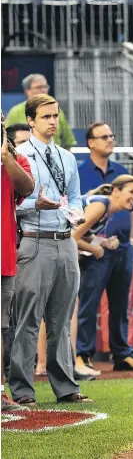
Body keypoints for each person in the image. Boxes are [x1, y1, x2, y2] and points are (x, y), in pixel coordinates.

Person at [10, 94, 91, 406]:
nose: (53, 121)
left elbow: (75, 197)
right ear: (30, 121)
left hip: (65, 239)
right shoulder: (19, 155)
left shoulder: (66, 157)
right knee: (28, 319)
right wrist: (34, 203)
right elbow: (10, 205)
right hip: (34, 239)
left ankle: (66, 387)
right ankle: (22, 390)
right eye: (46, 117)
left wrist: (77, 213)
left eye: (55, 116)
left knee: (60, 319)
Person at [77, 122, 133, 372]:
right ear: (90, 142)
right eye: (103, 136)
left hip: (123, 247)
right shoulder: (80, 171)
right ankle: (82, 355)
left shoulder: (121, 170)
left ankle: (122, 353)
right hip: (95, 249)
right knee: (88, 303)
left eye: (111, 135)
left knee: (120, 306)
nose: (109, 140)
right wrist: (95, 246)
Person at [1, 112, 35, 411]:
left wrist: (5, 155)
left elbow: (26, 188)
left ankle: (0, 393)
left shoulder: (15, 160)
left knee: (0, 328)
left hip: (4, 258)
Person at [6, 74, 76, 149]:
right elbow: (6, 141)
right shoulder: (15, 112)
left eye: (45, 87)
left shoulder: (57, 111)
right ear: (28, 91)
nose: (43, 90)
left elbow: (68, 142)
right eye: (39, 87)